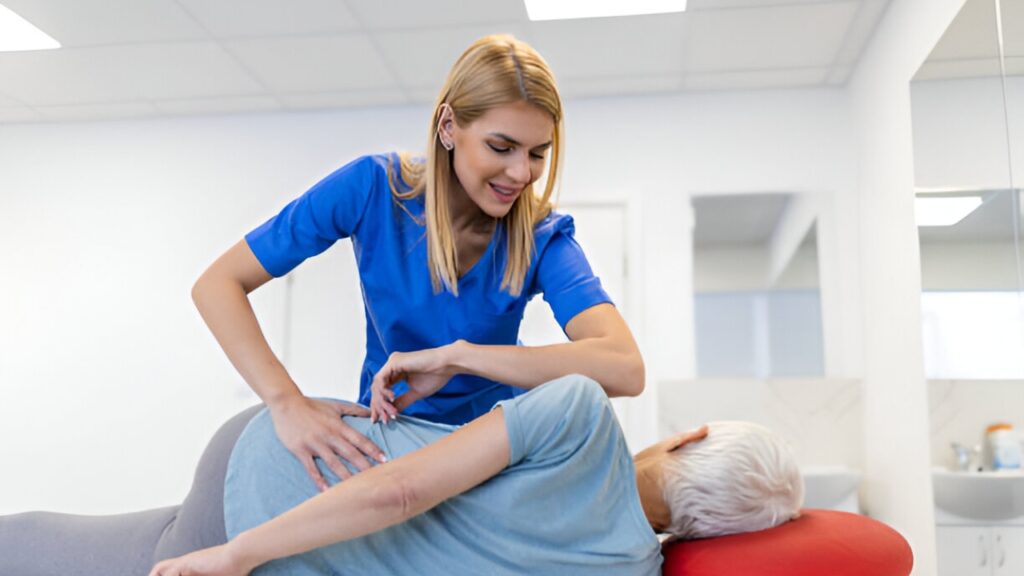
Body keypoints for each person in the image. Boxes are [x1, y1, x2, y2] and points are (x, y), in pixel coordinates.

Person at [190, 33, 645, 494]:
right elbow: (218, 284)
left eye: (537, 154)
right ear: (449, 126)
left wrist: (459, 357)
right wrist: (284, 401)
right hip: (391, 438)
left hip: (497, 455)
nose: (521, 173)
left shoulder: (541, 236)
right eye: (501, 147)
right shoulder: (372, 189)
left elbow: (624, 367)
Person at [0, 375, 803, 576]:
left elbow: (402, 488)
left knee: (69, 547)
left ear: (687, 437)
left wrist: (236, 554)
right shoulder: (631, 568)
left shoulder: (584, 416)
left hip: (270, 485)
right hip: (289, 527)